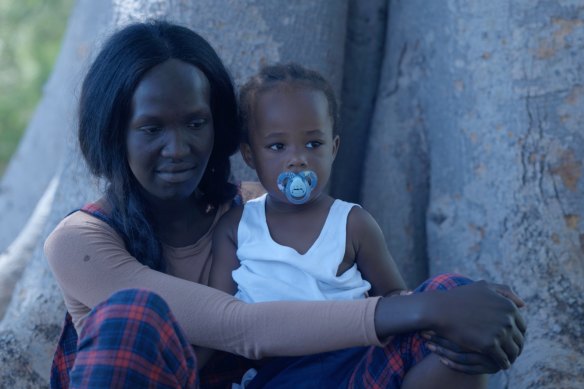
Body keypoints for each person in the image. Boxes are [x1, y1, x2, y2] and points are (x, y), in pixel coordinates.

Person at [44, 20, 526, 388]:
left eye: (196, 122)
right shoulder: (81, 241)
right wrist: (429, 310)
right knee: (134, 318)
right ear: (113, 132)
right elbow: (240, 327)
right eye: (152, 129)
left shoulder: (256, 210)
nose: (179, 147)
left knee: (451, 292)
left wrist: (468, 306)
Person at [207, 63, 521, 388]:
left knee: (450, 290)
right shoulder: (236, 227)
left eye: (314, 144)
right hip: (276, 375)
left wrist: (457, 302)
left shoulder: (353, 223)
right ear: (248, 155)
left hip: (351, 366)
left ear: (335, 148)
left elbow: (399, 298)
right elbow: (217, 320)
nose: (297, 159)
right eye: (277, 146)